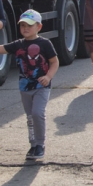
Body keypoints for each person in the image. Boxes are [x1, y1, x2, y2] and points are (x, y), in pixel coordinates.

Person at [0, 10, 59, 160]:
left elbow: (54, 62)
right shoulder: (18, 44)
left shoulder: (45, 43)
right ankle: (33, 145)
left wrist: (48, 76)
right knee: (30, 117)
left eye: (30, 25)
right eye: (23, 25)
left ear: (39, 27)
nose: (25, 28)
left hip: (41, 86)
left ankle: (40, 144)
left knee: (37, 113)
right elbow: (2, 49)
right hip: (25, 88)